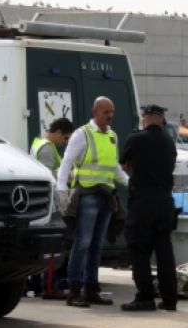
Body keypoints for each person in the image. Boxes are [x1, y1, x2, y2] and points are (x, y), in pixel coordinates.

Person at [56, 96, 129, 307]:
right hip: (88, 195)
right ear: (95, 112)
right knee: (83, 243)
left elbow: (113, 166)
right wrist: (61, 190)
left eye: (112, 112)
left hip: (106, 196)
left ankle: (91, 289)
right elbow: (67, 162)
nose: (110, 116)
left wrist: (129, 183)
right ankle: (74, 291)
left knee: (96, 245)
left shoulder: (112, 136)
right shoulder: (82, 134)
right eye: (106, 112)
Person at [119, 104, 178, 311]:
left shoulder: (134, 139)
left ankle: (145, 296)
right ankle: (170, 299)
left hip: (142, 202)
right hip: (164, 202)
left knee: (139, 250)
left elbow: (124, 165)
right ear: (161, 120)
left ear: (144, 120)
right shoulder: (169, 142)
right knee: (164, 251)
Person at [29, 117, 75, 300]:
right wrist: (68, 173)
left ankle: (38, 285)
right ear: (57, 133)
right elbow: (47, 176)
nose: (64, 143)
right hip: (50, 205)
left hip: (41, 205)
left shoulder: (38, 143)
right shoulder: (48, 149)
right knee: (53, 247)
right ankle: (49, 286)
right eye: (65, 139)